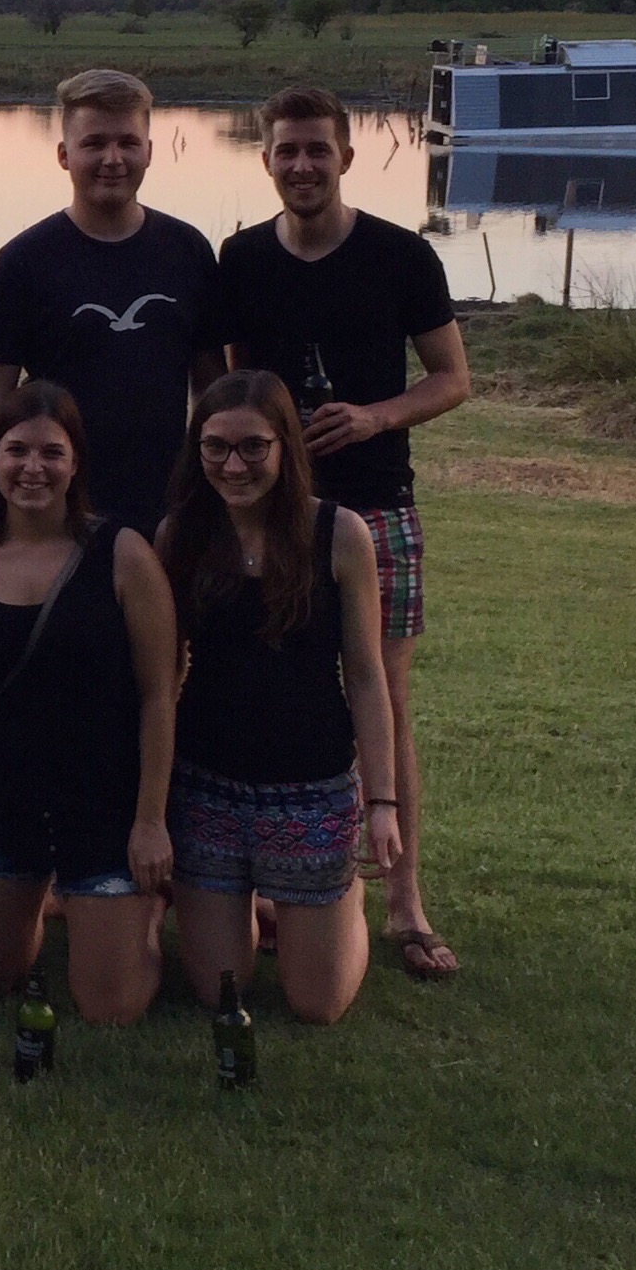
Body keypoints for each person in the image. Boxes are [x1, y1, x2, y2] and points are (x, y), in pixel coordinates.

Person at [216, 86, 470, 981]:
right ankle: (265, 886)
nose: (302, 166)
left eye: (317, 150)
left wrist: (373, 417)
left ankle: (404, 901)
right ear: (265, 160)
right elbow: (235, 383)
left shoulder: (401, 255)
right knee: (257, 685)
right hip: (270, 512)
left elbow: (451, 378)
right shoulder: (242, 258)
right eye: (286, 151)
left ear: (347, 158)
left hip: (377, 504)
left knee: (384, 695)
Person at [0, 381, 180, 1025]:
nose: (32, 468)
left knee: (109, 1007)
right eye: (17, 451)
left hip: (104, 807)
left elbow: (159, 696)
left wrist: (150, 821)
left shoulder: (123, 554)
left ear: (76, 463)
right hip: (4, 804)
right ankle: (54, 903)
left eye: (51, 453)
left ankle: (138, 917)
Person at [156, 371, 401, 1025]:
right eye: (215, 447)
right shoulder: (179, 536)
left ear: (285, 446)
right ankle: (267, 900)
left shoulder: (339, 534)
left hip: (311, 786)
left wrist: (381, 803)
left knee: (316, 1005)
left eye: (253, 447)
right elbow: (161, 675)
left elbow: (367, 676)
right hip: (206, 785)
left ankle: (340, 902)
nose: (233, 466)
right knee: (220, 990)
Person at [0, 69, 224, 538]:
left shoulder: (187, 250)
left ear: (150, 151)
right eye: (94, 144)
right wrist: (10, 499)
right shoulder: (25, 261)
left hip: (168, 511)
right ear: (64, 155)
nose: (113, 159)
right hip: (59, 508)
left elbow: (211, 388)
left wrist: (207, 491)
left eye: (128, 143)